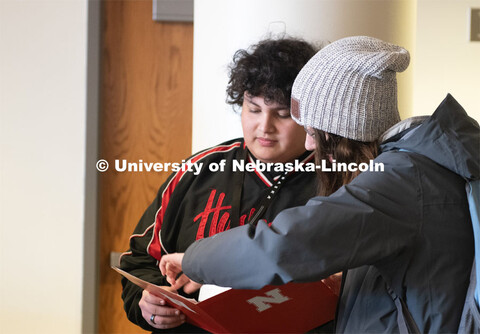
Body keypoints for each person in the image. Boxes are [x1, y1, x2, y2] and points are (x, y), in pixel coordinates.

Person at [160, 36, 480, 333]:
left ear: (341, 131)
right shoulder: (422, 165)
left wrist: (193, 260)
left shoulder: (401, 177)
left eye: (314, 132)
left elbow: (285, 244)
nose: (310, 145)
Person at [119, 37, 321, 333]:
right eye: (253, 109)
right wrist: (148, 305)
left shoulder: (336, 180)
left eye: (282, 114)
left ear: (310, 117)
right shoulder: (198, 171)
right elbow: (139, 261)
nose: (264, 127)